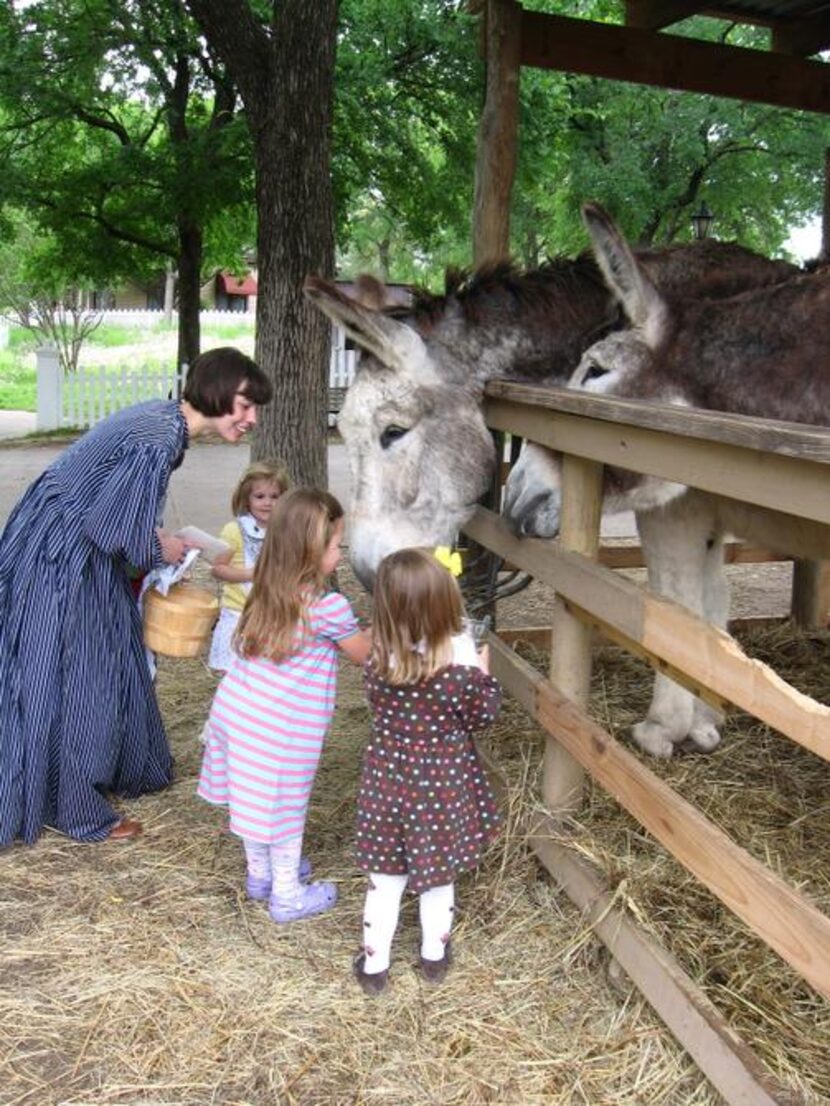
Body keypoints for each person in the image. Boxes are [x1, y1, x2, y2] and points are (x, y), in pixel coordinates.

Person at [0, 347, 272, 847]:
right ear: (216, 392)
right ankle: (79, 812)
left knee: (91, 664)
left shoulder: (164, 422)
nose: (251, 418)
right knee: (82, 678)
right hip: (62, 558)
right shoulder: (160, 437)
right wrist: (161, 547)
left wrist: (153, 540)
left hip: (63, 547)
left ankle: (88, 783)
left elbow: (111, 507)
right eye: (244, 405)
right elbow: (112, 529)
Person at [197, 487, 371, 923]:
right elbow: (362, 653)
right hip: (281, 729)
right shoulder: (327, 607)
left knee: (254, 799)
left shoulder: (266, 591)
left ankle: (261, 876)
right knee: (285, 807)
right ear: (312, 551)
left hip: (237, 713)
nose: (340, 553)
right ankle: (288, 896)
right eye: (335, 545)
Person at [352, 547, 502, 995]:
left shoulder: (378, 663)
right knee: (438, 877)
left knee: (386, 879)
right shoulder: (459, 673)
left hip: (388, 782)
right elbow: (483, 716)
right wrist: (483, 672)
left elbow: (379, 704)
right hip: (440, 788)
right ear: (445, 609)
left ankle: (375, 966)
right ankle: (433, 960)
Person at [207, 459, 291, 672]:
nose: (268, 503)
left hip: (275, 616)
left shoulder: (287, 532)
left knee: (269, 674)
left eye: (275, 497)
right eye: (260, 496)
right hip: (240, 615)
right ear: (246, 499)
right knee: (238, 674)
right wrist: (250, 574)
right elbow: (218, 568)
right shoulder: (234, 530)